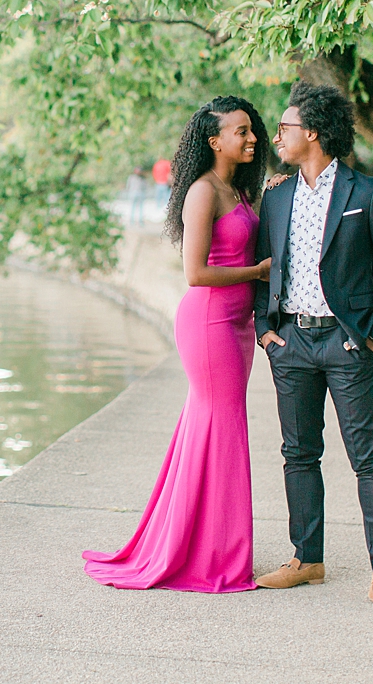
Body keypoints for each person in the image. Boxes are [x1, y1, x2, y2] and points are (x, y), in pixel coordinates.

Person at [83, 96, 272, 592]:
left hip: (238, 322)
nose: (253, 138)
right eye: (242, 132)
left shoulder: (239, 189)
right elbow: (195, 274)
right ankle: (216, 552)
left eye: (252, 130)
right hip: (210, 321)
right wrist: (256, 273)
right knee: (224, 426)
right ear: (215, 142)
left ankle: (203, 541)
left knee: (210, 428)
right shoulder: (202, 192)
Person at [252, 82, 373, 604]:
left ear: (314, 133)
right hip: (292, 343)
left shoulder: (366, 194)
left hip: (347, 346)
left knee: (367, 455)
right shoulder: (275, 195)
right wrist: (265, 330)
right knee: (298, 453)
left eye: (285, 128)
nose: (276, 136)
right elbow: (265, 268)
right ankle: (308, 559)